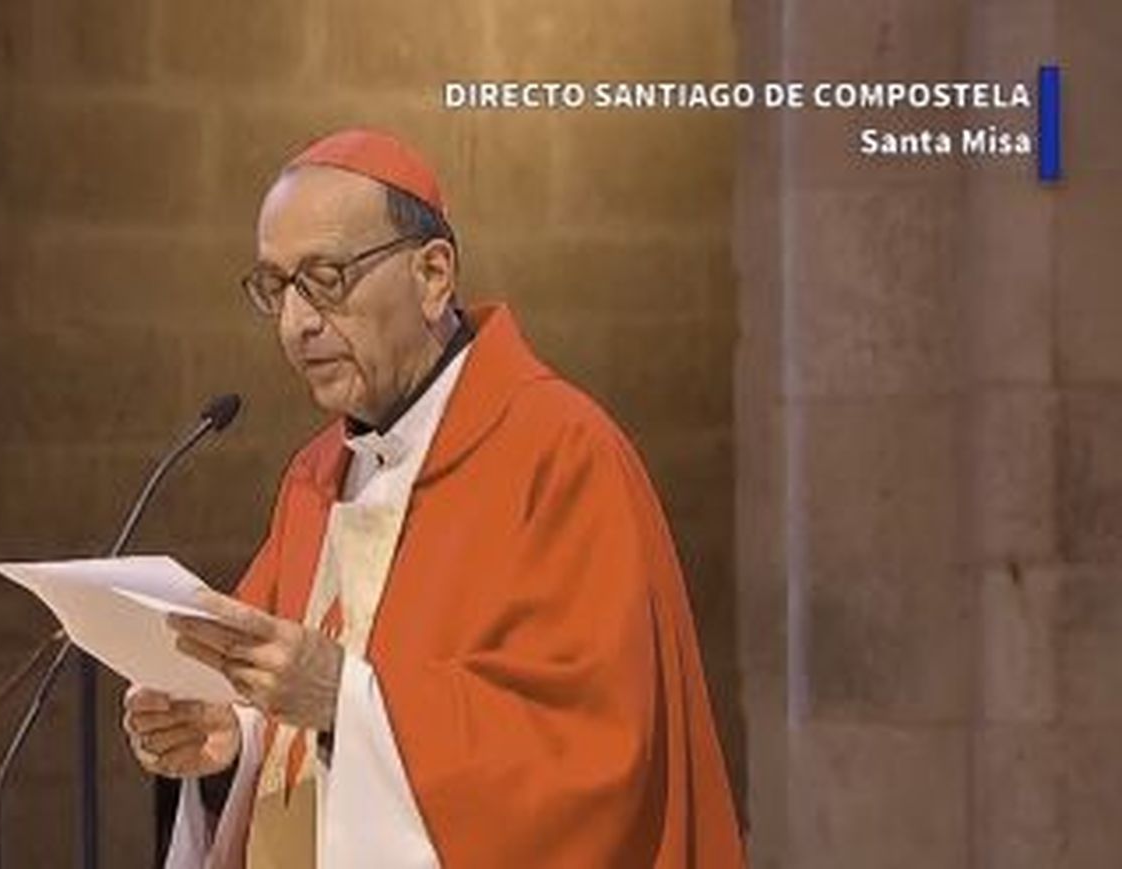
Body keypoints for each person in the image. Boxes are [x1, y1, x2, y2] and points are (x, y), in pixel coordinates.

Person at [120, 129, 746, 868]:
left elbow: (592, 757)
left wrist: (342, 702)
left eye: (325, 277)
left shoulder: (560, 452)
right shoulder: (318, 476)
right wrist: (229, 730)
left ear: (433, 273)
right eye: (274, 286)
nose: (296, 324)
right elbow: (286, 705)